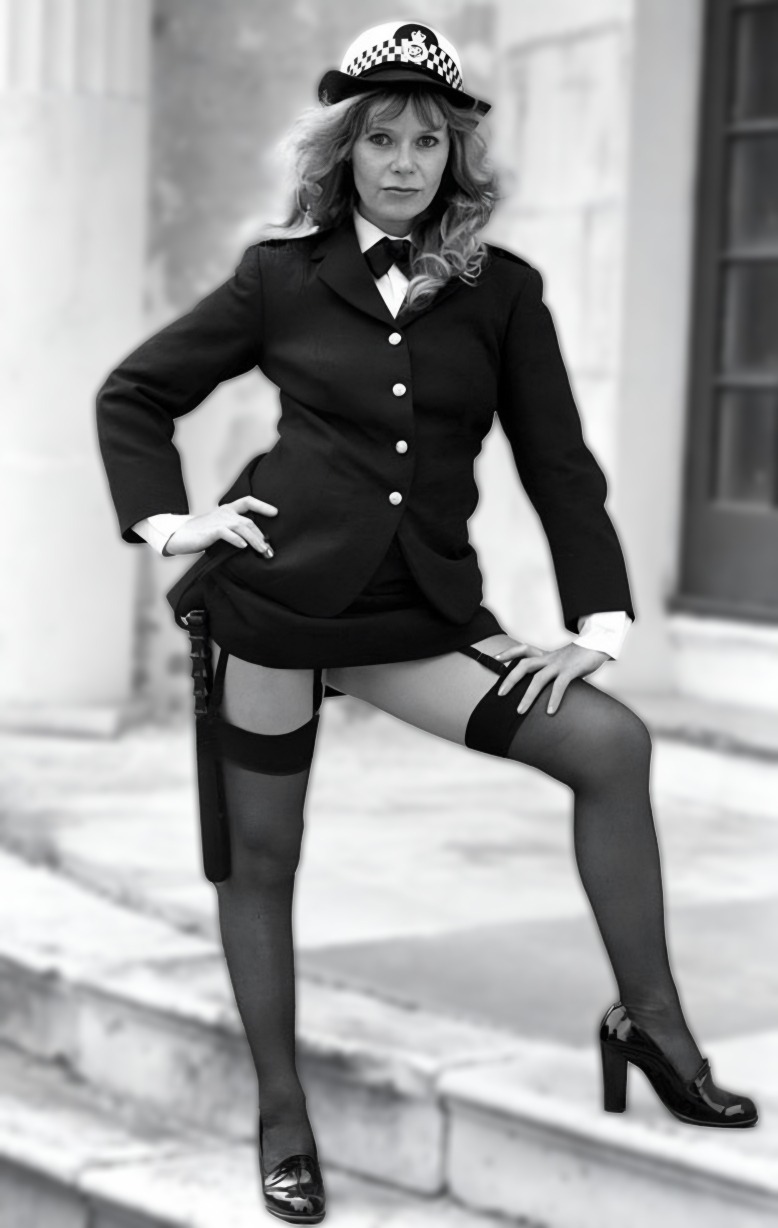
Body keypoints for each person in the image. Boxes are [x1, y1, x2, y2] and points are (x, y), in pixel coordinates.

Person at [95, 19, 757, 1224]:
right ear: (344, 150)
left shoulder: (503, 292)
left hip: (416, 615)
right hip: (276, 608)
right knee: (262, 860)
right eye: (382, 139)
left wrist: (598, 621)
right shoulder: (279, 276)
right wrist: (171, 522)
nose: (404, 162)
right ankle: (282, 1114)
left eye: (427, 142)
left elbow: (559, 463)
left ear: (456, 156)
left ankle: (652, 1025)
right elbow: (136, 391)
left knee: (609, 746)